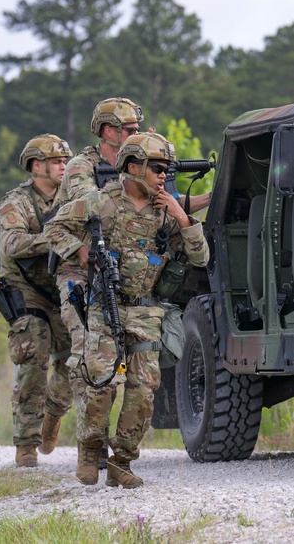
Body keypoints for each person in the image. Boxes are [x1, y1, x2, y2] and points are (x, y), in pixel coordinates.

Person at [46, 131, 209, 488]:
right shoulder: (100, 202)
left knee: (143, 391)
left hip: (147, 312)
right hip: (105, 308)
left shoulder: (167, 212)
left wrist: (183, 218)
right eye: (157, 167)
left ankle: (122, 462)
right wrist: (80, 251)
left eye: (166, 168)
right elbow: (54, 229)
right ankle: (90, 451)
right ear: (133, 167)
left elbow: (201, 258)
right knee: (101, 384)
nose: (164, 174)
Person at [0, 134, 74, 467]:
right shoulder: (16, 203)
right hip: (26, 290)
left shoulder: (73, 198)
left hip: (63, 289)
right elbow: (12, 243)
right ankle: (26, 443)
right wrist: (55, 238)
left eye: (65, 161)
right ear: (37, 166)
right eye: (57, 162)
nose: (63, 167)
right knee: (34, 353)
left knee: (78, 359)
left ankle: (53, 414)